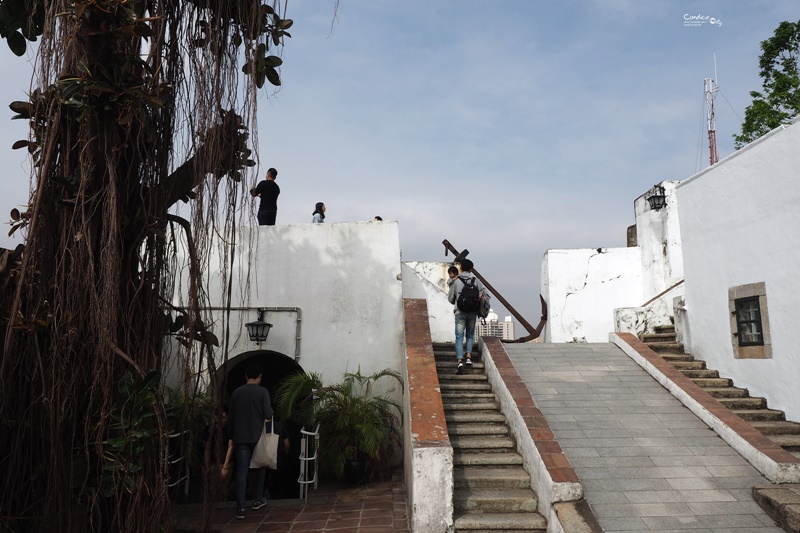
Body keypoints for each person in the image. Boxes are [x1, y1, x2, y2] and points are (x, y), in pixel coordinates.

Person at [224, 364, 274, 519]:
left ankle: (240, 507)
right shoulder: (263, 392)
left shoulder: (237, 393)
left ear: (245, 377)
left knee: (241, 471)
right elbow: (268, 413)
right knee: (260, 468)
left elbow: (231, 417)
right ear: (260, 377)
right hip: (257, 437)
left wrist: (230, 434)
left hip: (240, 437)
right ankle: (257, 500)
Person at [447, 259, 489, 374]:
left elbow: (450, 299)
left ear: (460, 268)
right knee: (470, 335)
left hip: (460, 312)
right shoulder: (476, 281)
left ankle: (460, 361)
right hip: (472, 312)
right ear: (471, 269)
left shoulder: (456, 281)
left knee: (459, 337)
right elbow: (484, 295)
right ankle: (469, 357)